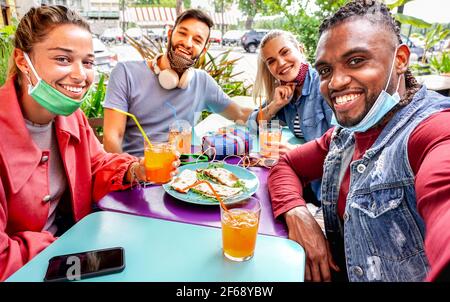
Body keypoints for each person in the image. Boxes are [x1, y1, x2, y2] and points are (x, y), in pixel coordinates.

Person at [268, 0, 450, 282]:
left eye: (356, 61)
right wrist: (297, 213)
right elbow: (286, 166)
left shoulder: (431, 130)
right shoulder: (345, 136)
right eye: (326, 71)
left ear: (400, 60)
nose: (336, 82)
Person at [0, 5, 155, 281]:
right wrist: (65, 249)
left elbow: (94, 165)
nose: (80, 75)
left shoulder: (72, 117)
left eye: (88, 62)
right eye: (62, 59)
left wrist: (135, 169)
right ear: (23, 62)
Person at [103, 9, 255, 156]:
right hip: (135, 175)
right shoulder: (125, 72)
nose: (188, 43)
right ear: (170, 34)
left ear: (203, 49)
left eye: (197, 40)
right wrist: (132, 171)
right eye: (182, 33)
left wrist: (275, 107)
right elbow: (112, 139)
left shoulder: (202, 82)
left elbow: (240, 113)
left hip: (181, 175)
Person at [251, 30, 333, 153]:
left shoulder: (324, 84)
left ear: (300, 50)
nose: (281, 63)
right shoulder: (283, 91)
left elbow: (342, 142)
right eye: (271, 61)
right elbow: (252, 126)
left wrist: (297, 152)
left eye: (285, 52)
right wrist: (275, 105)